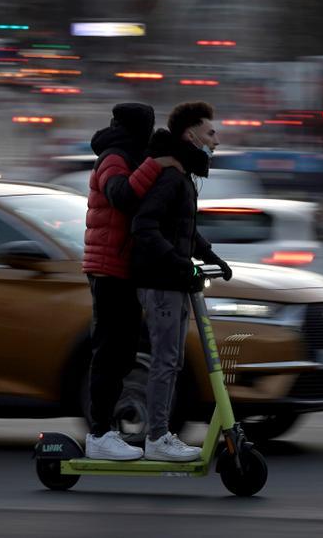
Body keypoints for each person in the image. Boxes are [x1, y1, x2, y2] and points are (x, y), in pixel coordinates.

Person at [131, 101, 233, 462]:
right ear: (190, 135)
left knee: (171, 360)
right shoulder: (172, 176)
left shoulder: (184, 176)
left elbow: (183, 231)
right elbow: (144, 227)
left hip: (173, 280)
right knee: (166, 359)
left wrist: (210, 257)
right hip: (161, 282)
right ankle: (157, 437)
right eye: (211, 133)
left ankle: (161, 434)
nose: (216, 141)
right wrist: (180, 264)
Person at [83, 103, 182, 461]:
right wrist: (156, 165)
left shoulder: (133, 154)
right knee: (109, 353)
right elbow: (121, 195)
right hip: (108, 267)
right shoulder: (113, 156)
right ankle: (98, 434)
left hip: (124, 268)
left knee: (123, 352)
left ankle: (106, 429)